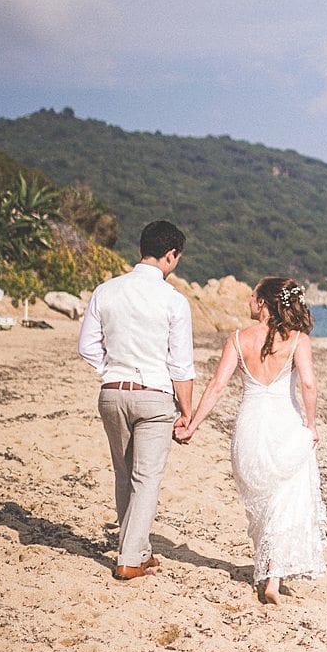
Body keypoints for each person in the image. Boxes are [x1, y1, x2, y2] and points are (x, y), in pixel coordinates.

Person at [177, 277, 326, 605]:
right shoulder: (298, 339)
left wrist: (193, 426)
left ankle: (270, 569)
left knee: (262, 504)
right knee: (283, 500)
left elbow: (217, 386)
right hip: (285, 425)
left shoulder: (238, 339)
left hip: (249, 428)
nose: (248, 300)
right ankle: (273, 575)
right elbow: (310, 385)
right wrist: (311, 425)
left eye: (252, 295)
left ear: (263, 303)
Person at [78, 220, 196, 582]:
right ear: (171, 255)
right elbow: (180, 364)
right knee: (147, 478)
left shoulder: (106, 290)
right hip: (155, 396)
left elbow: (86, 347)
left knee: (124, 472)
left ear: (141, 248)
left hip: (112, 392)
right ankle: (129, 558)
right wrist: (187, 412)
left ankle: (139, 550)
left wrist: (110, 371)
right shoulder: (173, 301)